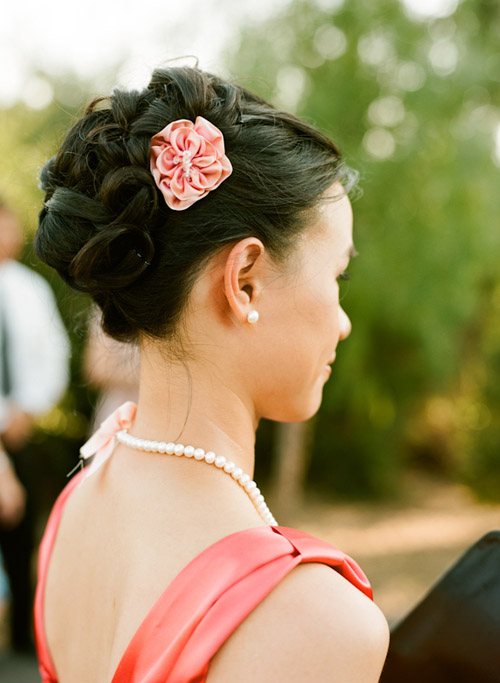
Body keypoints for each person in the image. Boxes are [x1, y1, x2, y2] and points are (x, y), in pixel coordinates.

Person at [33, 65, 389, 682]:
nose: (343, 324)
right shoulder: (318, 623)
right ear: (244, 279)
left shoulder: (75, 507)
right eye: (338, 278)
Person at [0, 201, 69, 652]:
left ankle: (24, 634)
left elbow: (53, 355)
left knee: (20, 533)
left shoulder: (30, 290)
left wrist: (27, 409)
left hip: (20, 431)